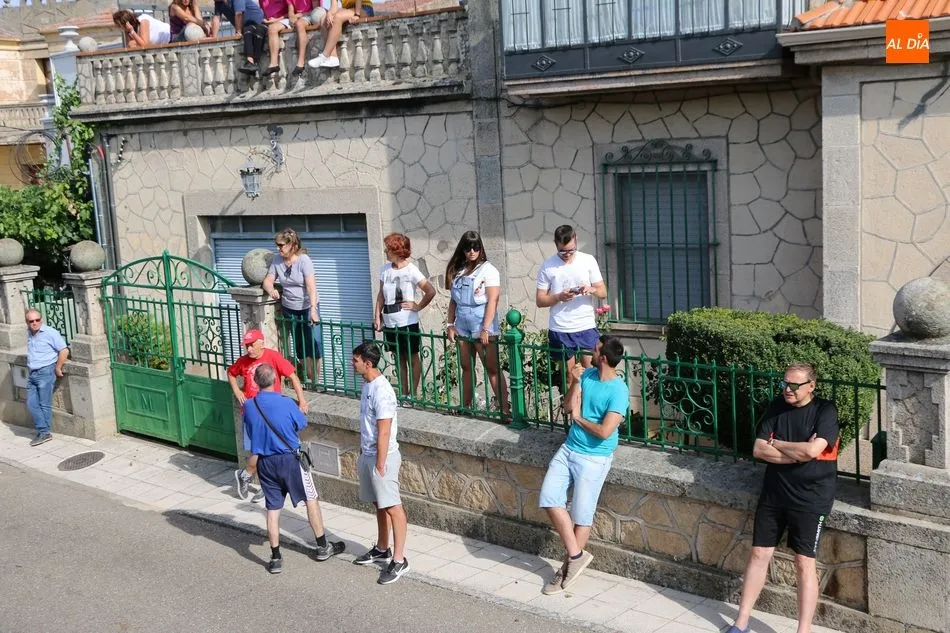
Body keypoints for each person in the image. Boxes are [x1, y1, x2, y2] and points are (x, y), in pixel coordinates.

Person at [726, 363, 839, 633]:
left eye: (794, 385)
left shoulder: (825, 411)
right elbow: (758, 449)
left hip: (811, 498)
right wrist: (797, 453)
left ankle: (803, 630)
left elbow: (813, 451)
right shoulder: (777, 406)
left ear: (811, 386)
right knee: (759, 553)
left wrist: (777, 443)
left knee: (803, 562)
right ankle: (741, 622)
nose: (788, 389)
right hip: (774, 493)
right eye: (785, 383)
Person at [538, 334, 628, 595]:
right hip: (569, 449)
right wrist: (575, 383)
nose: (590, 351)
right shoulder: (586, 376)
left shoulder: (619, 391)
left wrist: (578, 419)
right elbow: (568, 407)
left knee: (581, 515)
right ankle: (576, 556)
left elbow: (605, 432)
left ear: (603, 358)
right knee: (549, 498)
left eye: (595, 349)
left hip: (594, 458)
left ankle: (566, 569)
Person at [243, 363, 345, 573]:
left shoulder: (250, 406)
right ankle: (323, 546)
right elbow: (301, 424)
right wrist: (299, 410)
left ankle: (275, 557)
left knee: (273, 509)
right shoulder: (286, 403)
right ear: (275, 380)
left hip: (265, 463)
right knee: (311, 499)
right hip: (290, 460)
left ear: (255, 382)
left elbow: (252, 433)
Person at [350, 341, 411, 584]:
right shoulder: (367, 385)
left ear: (368, 363)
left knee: (393, 506)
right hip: (369, 454)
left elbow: (384, 429)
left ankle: (399, 560)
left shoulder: (382, 390)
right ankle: (382, 548)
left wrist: (381, 462)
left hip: (381, 457)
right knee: (379, 503)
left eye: (355, 360)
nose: (352, 363)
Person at [228, 328, 308, 502]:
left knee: (264, 451)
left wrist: (302, 401)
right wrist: (237, 391)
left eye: (251, 345)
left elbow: (293, 377)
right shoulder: (243, 361)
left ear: (261, 343)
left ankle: (253, 479)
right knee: (258, 451)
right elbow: (231, 373)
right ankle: (253, 479)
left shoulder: (273, 357)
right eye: (246, 346)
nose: (248, 349)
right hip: (253, 414)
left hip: (272, 414)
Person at [445, 231, 509, 417]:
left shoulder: (489, 270)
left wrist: (486, 328)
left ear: (481, 248)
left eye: (475, 247)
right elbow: (453, 300)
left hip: (481, 321)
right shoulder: (459, 270)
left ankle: (505, 409)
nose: (472, 251)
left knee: (492, 368)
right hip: (462, 322)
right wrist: (450, 324)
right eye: (468, 248)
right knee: (466, 367)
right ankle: (466, 405)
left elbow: (493, 300)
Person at [536, 224, 607, 384]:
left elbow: (603, 292)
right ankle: (571, 401)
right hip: (561, 328)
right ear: (555, 244)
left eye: (571, 250)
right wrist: (559, 297)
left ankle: (587, 401)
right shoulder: (548, 266)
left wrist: (591, 289)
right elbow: (540, 300)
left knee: (592, 373)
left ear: (576, 240)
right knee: (569, 376)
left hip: (585, 325)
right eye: (562, 251)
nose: (567, 254)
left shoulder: (588, 260)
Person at [373, 232, 436, 403]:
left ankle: (413, 395)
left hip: (407, 322)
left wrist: (418, 306)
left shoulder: (411, 270)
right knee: (399, 358)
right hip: (390, 322)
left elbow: (430, 291)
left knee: (412, 357)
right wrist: (377, 316)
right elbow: (381, 295)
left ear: (396, 250)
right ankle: (403, 393)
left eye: (388, 249)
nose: (385, 252)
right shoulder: (385, 270)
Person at [262, 228, 323, 383]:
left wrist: (313, 310)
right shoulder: (277, 260)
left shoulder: (304, 260)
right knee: (299, 344)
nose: (278, 248)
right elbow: (267, 280)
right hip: (289, 307)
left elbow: (311, 287)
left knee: (314, 342)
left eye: (281, 245)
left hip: (307, 306)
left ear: (292, 245)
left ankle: (315, 379)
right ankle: (309, 377)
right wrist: (271, 290)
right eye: (277, 245)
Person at [25, 309, 69, 447]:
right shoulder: (29, 333)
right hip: (32, 372)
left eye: (37, 320)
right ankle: (43, 430)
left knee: (44, 403)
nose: (34, 323)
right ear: (27, 322)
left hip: (45, 371)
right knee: (31, 403)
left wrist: (58, 368)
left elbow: (64, 350)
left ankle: (44, 432)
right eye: (31, 321)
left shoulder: (50, 333)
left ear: (41, 319)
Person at [306, 0, 371, 69]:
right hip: (349, 9)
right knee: (323, 19)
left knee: (338, 17)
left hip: (363, 7)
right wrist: (329, 13)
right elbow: (334, 7)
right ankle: (333, 57)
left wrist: (357, 15)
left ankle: (324, 56)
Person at [259, 0, 311, 78]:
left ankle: (300, 63)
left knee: (298, 24)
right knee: (271, 28)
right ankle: (274, 64)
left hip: (301, 17)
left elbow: (315, 10)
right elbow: (290, 10)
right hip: (288, 19)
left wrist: (277, 19)